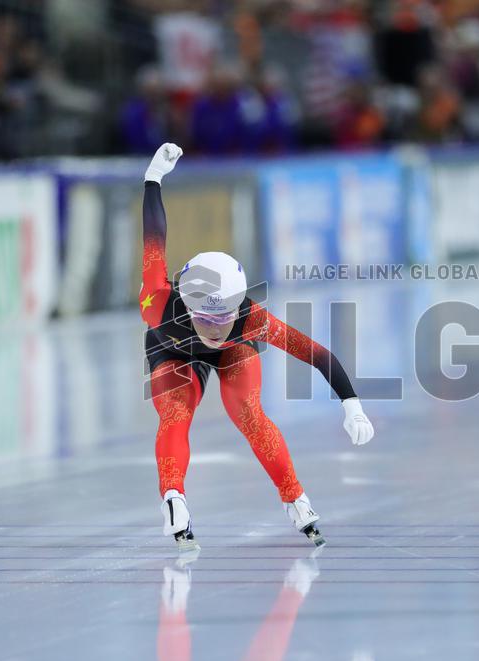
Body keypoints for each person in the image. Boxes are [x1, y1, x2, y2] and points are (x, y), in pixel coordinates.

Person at [138, 143, 375, 551]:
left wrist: (351, 403)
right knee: (174, 413)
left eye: (224, 317)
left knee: (250, 414)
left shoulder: (251, 318)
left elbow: (315, 353)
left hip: (234, 354)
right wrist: (152, 179)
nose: (216, 328)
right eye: (207, 319)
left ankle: (296, 498)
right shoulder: (158, 303)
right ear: (188, 306)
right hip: (173, 351)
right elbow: (154, 236)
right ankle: (173, 496)